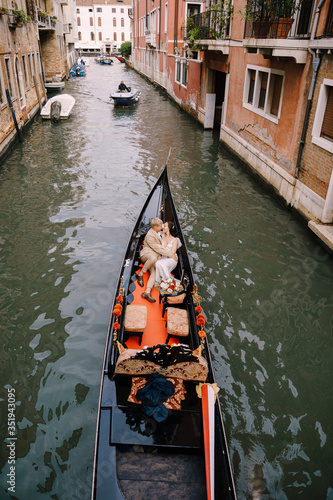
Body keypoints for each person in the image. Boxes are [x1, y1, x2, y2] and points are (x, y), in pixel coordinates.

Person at [138, 218, 176, 303]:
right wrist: (171, 255)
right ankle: (141, 273)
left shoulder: (159, 232)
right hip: (146, 255)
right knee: (153, 258)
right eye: (160, 226)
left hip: (154, 255)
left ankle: (147, 292)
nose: (162, 228)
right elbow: (157, 249)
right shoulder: (150, 236)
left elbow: (163, 240)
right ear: (155, 227)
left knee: (154, 273)